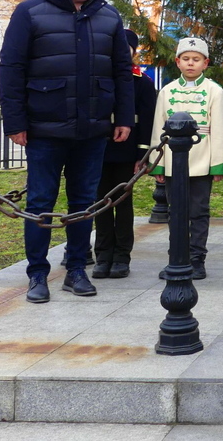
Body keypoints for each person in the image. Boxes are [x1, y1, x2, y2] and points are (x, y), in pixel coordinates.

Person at [0, 0, 134, 304]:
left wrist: (123, 117)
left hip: (91, 131)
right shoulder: (29, 13)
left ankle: (76, 270)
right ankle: (37, 275)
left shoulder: (108, 16)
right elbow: (11, 68)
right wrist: (15, 121)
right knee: (41, 202)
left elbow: (122, 70)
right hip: (44, 130)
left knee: (83, 202)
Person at [150, 37, 223, 280]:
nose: (191, 64)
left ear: (206, 63)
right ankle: (177, 256)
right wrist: (158, 163)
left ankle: (197, 258)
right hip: (174, 160)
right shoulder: (167, 90)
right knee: (176, 212)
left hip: (201, 158)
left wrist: (218, 164)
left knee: (199, 211)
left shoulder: (214, 91)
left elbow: (219, 130)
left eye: (196, 59)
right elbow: (158, 129)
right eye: (186, 59)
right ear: (177, 62)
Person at [92, 29, 157, 279]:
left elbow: (147, 121)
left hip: (127, 151)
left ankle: (122, 257)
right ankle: (103, 254)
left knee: (122, 203)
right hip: (99, 149)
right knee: (100, 203)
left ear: (133, 52)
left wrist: (141, 156)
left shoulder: (141, 81)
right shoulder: (99, 78)